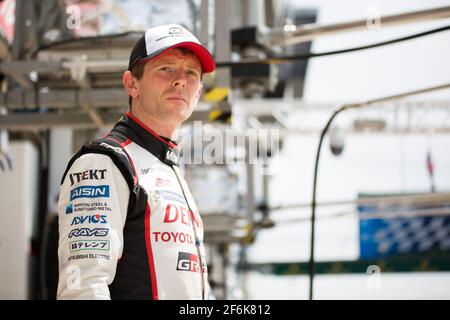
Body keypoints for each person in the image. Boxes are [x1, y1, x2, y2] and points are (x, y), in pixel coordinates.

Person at [57, 24, 216, 299]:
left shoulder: (169, 167)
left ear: (198, 92)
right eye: (166, 68)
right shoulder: (103, 162)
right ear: (132, 84)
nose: (180, 80)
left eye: (191, 73)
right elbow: (83, 287)